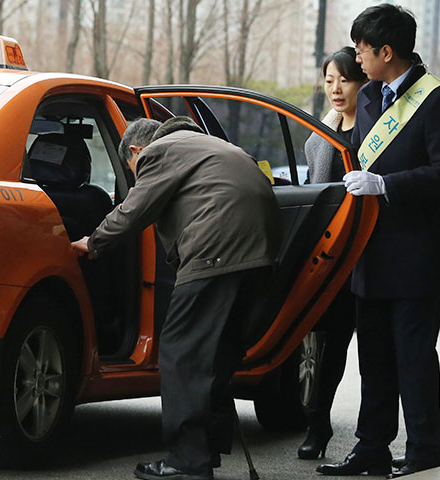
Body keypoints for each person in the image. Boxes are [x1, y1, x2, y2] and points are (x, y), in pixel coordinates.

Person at [71, 116, 282, 480]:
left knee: (182, 350)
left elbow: (135, 208)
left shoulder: (158, 152)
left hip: (217, 249)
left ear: (136, 151)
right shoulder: (208, 145)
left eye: (132, 170)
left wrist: (94, 241)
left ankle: (187, 461)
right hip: (262, 254)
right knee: (216, 353)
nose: (138, 175)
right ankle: (207, 448)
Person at [317, 4, 440, 478]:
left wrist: (387, 184)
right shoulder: (367, 99)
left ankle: (424, 449)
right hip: (370, 248)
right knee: (374, 357)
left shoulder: (439, 99)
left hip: (418, 251)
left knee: (413, 357)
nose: (357, 58)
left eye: (362, 50)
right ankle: (371, 448)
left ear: (387, 50)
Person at [298, 46, 367, 460]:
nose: (336, 89)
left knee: (373, 349)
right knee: (327, 345)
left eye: (345, 79)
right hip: (330, 256)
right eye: (329, 81)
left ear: (363, 82)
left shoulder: (374, 133)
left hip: (367, 252)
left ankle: (371, 435)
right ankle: (317, 425)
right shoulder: (320, 135)